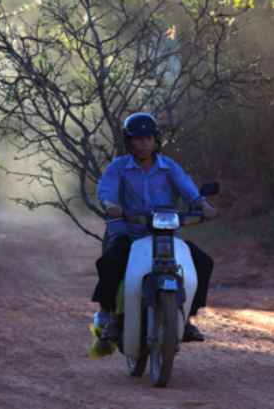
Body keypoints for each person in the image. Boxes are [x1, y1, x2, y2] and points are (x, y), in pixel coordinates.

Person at [92, 112, 217, 345]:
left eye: (148, 138)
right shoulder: (118, 168)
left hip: (165, 235)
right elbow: (106, 192)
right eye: (137, 139)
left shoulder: (169, 167)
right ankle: (109, 314)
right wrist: (111, 205)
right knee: (111, 261)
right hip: (129, 234)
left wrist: (202, 204)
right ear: (128, 142)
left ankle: (187, 318)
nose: (143, 144)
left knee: (203, 261)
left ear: (155, 140)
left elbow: (190, 191)